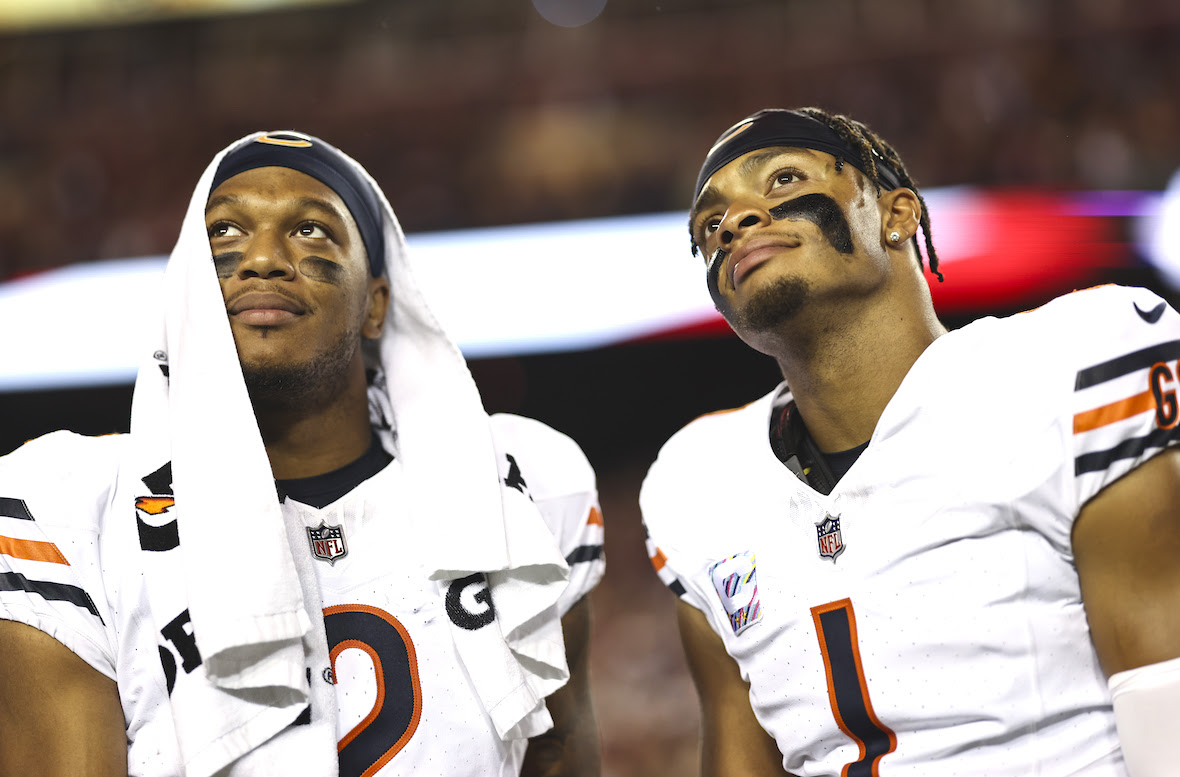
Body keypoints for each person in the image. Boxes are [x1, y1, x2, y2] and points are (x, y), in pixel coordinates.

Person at [0, 131, 605, 777]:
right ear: (189, 291)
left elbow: (558, 749)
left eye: (312, 231)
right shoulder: (69, 503)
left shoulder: (521, 479)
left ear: (376, 304)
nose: (262, 258)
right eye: (226, 231)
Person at [640, 107, 1180, 776]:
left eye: (782, 181)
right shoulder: (695, 483)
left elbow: (1167, 697)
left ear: (897, 214)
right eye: (709, 227)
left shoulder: (1065, 365)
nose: (736, 223)